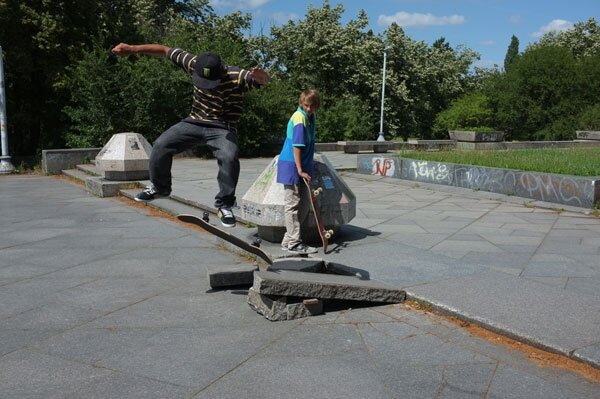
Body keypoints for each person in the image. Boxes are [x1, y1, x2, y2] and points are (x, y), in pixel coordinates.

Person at [111, 43, 271, 227]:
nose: (208, 88)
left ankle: (225, 205)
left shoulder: (236, 76)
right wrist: (131, 49)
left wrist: (263, 78)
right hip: (194, 122)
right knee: (161, 144)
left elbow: (262, 81)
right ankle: (160, 188)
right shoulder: (193, 62)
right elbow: (164, 50)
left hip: (222, 127)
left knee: (229, 156)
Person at [276, 89, 320, 255]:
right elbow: (297, 146)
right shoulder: (299, 118)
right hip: (292, 165)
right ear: (302, 103)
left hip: (303, 165)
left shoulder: (310, 117)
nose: (309, 108)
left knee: (304, 205)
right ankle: (295, 243)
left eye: (312, 106)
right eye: (306, 105)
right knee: (292, 204)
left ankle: (289, 240)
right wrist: (300, 170)